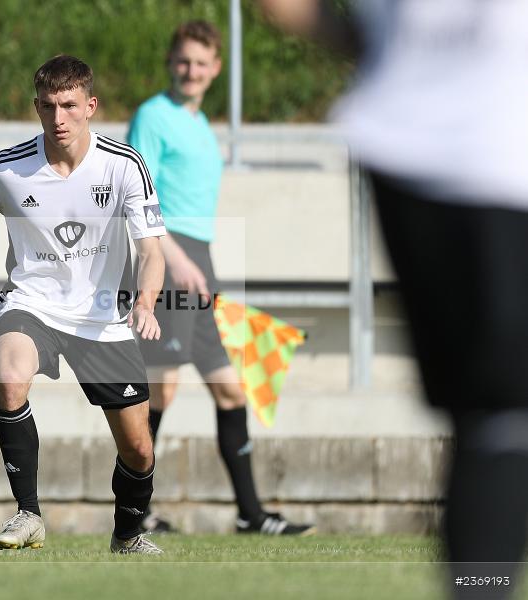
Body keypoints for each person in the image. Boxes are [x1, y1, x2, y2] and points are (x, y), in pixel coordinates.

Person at [259, 0, 528, 595]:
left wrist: (385, 51)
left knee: (487, 417)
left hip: (397, 146)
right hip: (498, 155)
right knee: (503, 411)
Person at [0, 55, 168, 554]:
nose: (59, 118)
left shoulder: (124, 165)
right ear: (36, 107)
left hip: (103, 320)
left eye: (70, 106)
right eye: (49, 106)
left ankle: (127, 535)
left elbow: (152, 249)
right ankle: (29, 513)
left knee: (138, 449)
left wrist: (146, 301)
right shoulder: (6, 168)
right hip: (33, 304)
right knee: (10, 377)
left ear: (91, 105)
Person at [127, 20, 314, 536]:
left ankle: (251, 516)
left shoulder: (201, 121)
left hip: (199, 263)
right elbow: (135, 201)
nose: (191, 71)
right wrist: (177, 259)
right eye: (183, 60)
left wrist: (196, 262)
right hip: (167, 262)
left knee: (231, 390)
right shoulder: (153, 116)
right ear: (171, 61)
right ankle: (134, 511)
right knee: (160, 393)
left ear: (215, 69)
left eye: (201, 63)